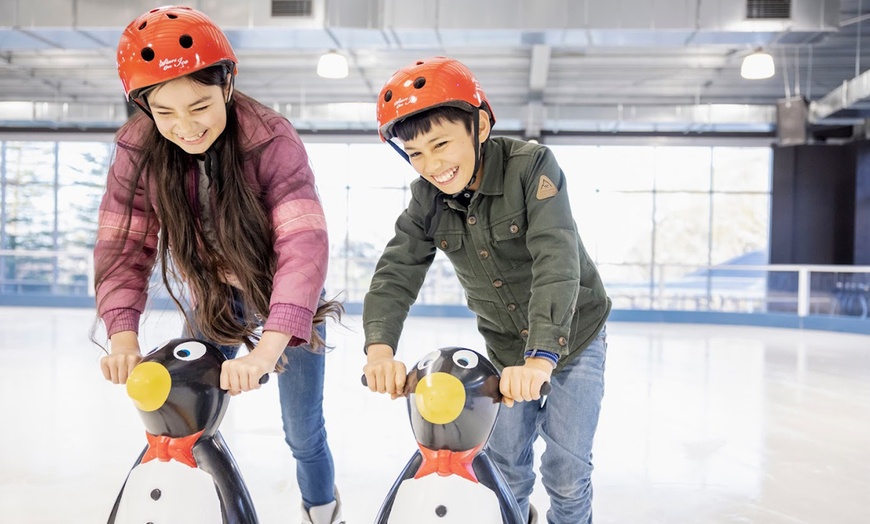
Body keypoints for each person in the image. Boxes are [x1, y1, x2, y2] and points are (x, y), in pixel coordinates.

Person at [91, 7, 344, 524]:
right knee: (182, 415)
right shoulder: (137, 149)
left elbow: (303, 243)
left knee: (303, 429)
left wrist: (269, 348)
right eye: (165, 113)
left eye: (201, 105)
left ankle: (323, 513)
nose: (185, 127)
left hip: (282, 295)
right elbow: (124, 245)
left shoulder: (270, 139)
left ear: (228, 84)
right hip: (214, 296)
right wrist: (123, 337)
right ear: (144, 108)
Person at [361, 56, 611, 524]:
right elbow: (396, 271)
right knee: (503, 469)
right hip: (503, 345)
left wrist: (540, 357)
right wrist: (379, 352)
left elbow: (556, 261)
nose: (432, 165)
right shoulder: (426, 199)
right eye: (416, 154)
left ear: (477, 125)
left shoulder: (531, 167)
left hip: (573, 338)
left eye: (441, 144)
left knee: (566, 473)